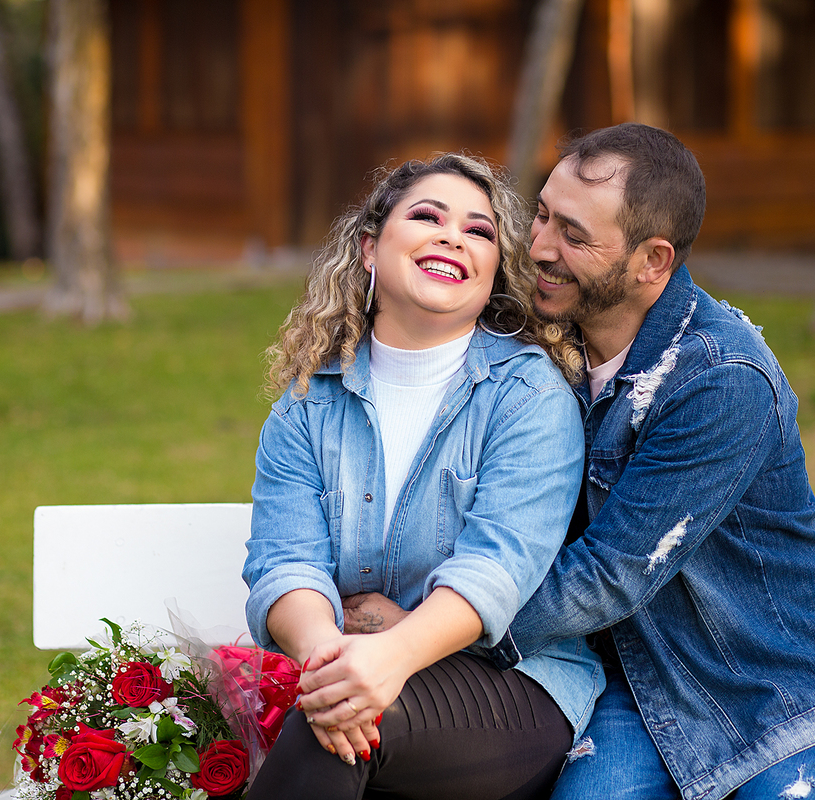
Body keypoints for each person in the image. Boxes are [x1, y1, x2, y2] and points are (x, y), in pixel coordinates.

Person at [345, 124, 815, 799]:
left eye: (575, 236)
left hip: (779, 695)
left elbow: (607, 575)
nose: (539, 247)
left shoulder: (720, 378)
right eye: (541, 214)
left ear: (652, 261)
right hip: (635, 687)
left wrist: (425, 629)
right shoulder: (537, 341)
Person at [242, 152, 604, 799]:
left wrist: (382, 662)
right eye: (428, 216)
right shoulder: (306, 403)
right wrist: (333, 662)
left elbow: (497, 569)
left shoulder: (528, 396)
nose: (452, 236)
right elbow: (284, 562)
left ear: (494, 271)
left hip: (511, 689)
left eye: (479, 230)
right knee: (336, 717)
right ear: (369, 248)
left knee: (336, 727)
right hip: (359, 673)